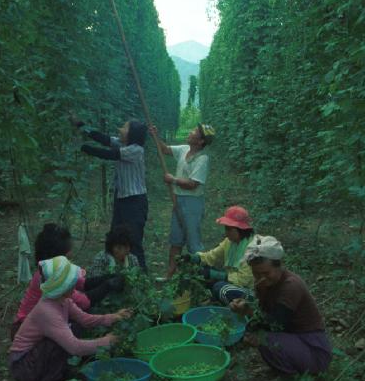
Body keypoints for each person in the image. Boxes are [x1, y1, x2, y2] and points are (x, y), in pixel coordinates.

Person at [9, 256, 133, 381]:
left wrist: (113, 317)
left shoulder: (63, 300)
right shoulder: (47, 311)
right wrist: (107, 341)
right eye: (72, 282)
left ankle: (56, 371)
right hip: (23, 367)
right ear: (63, 286)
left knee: (75, 328)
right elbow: (75, 347)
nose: (75, 285)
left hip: (33, 356)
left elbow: (85, 319)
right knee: (57, 343)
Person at [229, 237, 332, 378]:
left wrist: (248, 313)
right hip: (294, 337)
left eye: (266, 273)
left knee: (263, 338)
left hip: (313, 348)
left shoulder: (291, 286)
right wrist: (245, 307)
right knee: (258, 334)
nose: (261, 278)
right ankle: (286, 365)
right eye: (256, 273)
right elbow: (263, 311)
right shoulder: (263, 283)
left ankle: (290, 378)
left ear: (279, 266)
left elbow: (276, 324)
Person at [12, 223, 124, 338]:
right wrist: (107, 285)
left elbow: (82, 283)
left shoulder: (52, 269)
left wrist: (108, 278)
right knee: (76, 329)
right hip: (25, 329)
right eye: (67, 256)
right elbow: (84, 302)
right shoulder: (49, 278)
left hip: (38, 322)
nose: (71, 256)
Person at [72, 117, 149, 270]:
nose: (120, 129)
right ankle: (116, 270)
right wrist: (82, 126)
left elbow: (109, 154)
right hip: (121, 200)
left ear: (132, 134)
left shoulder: (136, 150)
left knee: (133, 241)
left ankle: (141, 277)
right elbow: (104, 139)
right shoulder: (122, 143)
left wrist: (83, 147)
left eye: (124, 127)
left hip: (135, 202)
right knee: (115, 237)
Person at [150, 123, 215, 277]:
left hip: (193, 203)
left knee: (193, 242)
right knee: (176, 240)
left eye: (194, 131)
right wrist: (155, 136)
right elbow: (165, 149)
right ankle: (170, 274)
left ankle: (200, 276)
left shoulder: (202, 159)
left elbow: (193, 184)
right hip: (178, 199)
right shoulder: (184, 149)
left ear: (200, 141)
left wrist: (173, 180)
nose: (191, 132)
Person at [183, 205, 257, 304]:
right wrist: (194, 258)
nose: (226, 233)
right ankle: (215, 298)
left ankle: (237, 304)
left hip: (250, 289)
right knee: (200, 272)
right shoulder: (229, 242)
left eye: (229, 230)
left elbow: (244, 280)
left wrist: (217, 275)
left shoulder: (253, 248)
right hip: (231, 281)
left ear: (240, 229)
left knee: (221, 288)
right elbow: (211, 256)